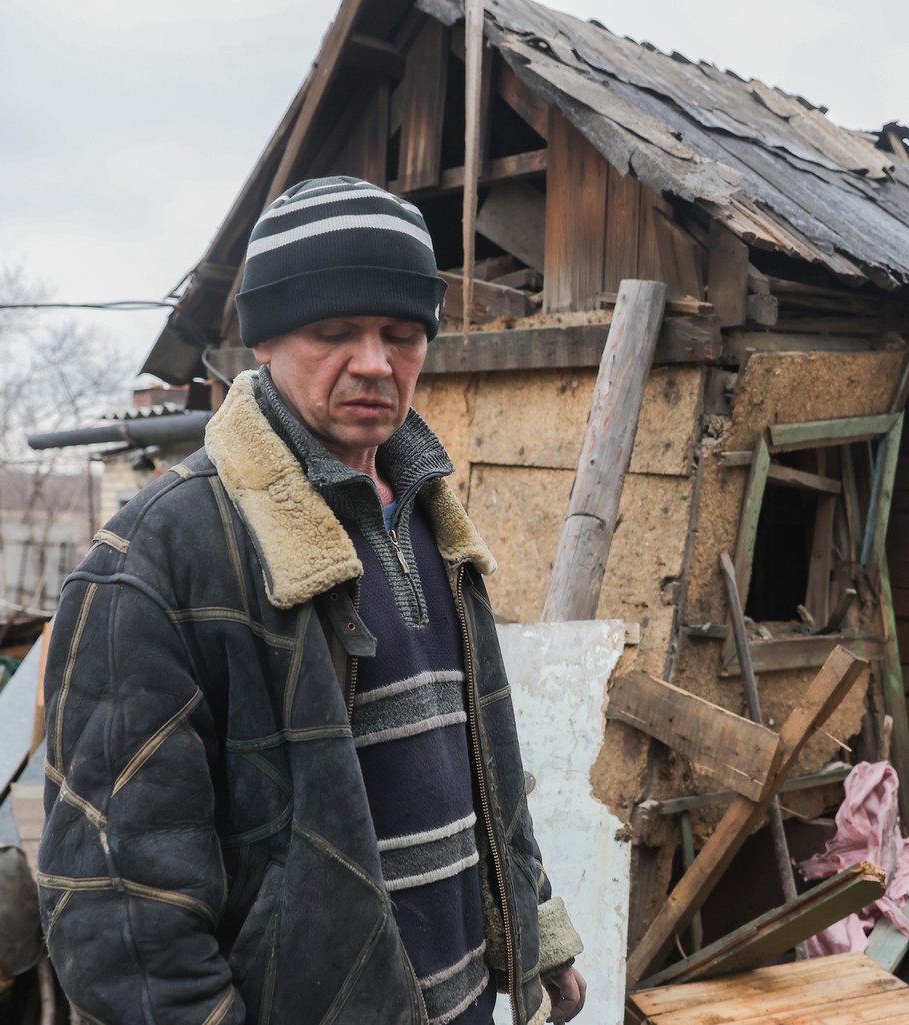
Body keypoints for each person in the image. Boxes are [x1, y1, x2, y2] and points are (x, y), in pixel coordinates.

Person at [38, 177, 586, 1025]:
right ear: (263, 340)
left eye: (402, 335)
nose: (374, 362)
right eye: (333, 331)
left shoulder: (431, 518)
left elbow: (483, 765)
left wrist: (536, 927)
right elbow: (120, 909)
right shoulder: (161, 554)